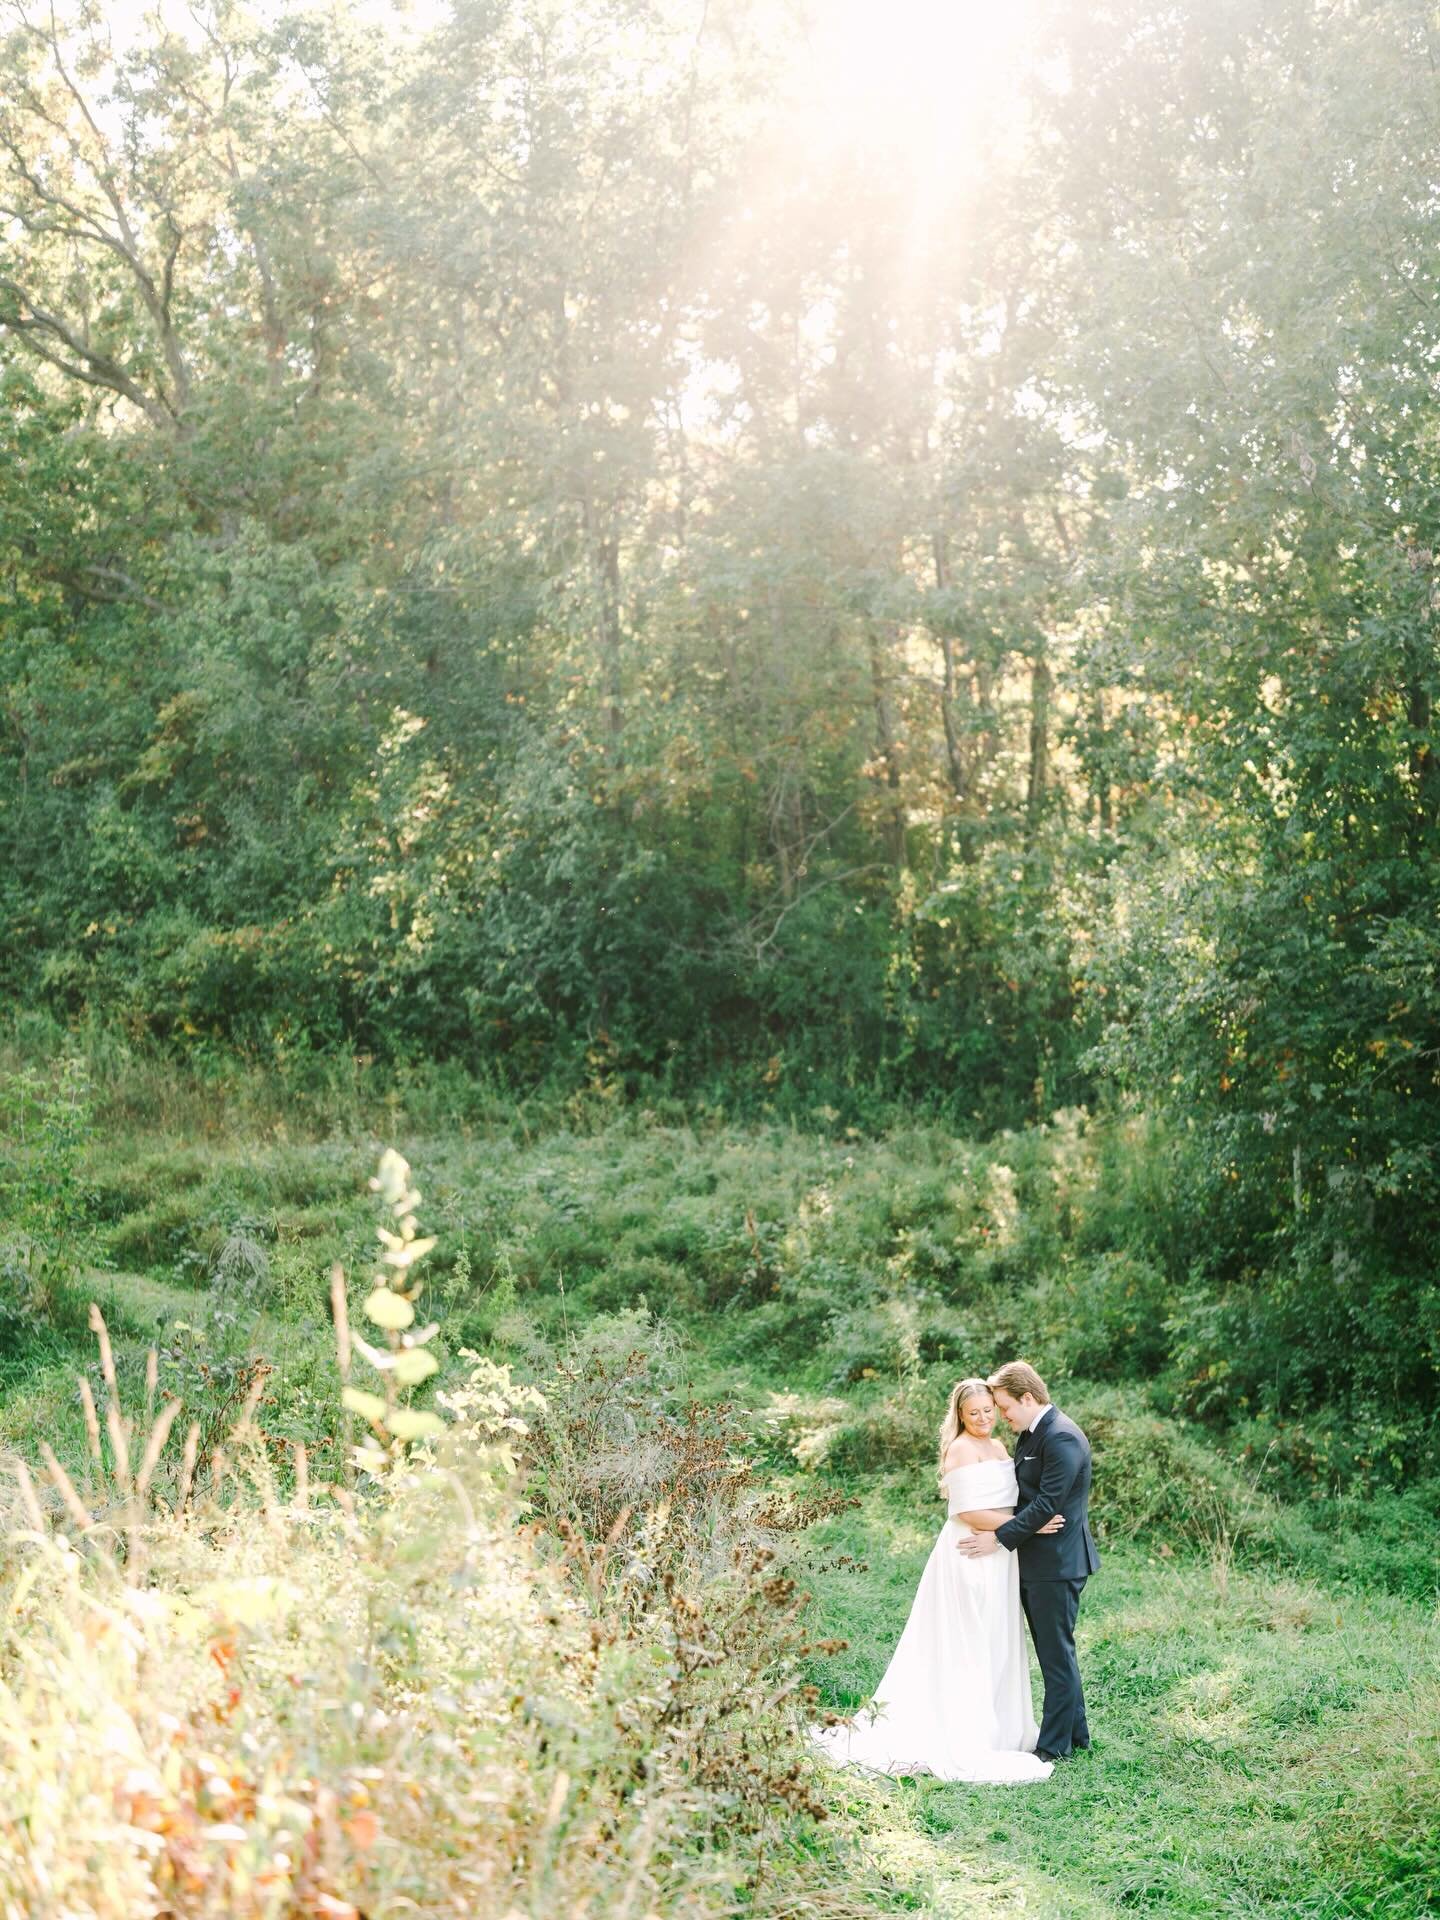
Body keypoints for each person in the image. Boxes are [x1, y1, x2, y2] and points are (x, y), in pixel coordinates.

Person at [812, 1378, 1061, 1784]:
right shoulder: (960, 1449)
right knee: (968, 1639)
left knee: (997, 1636)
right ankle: (964, 1730)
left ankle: (1000, 1728)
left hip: (1000, 1556)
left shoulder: (999, 1447)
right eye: (973, 1413)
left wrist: (1016, 1529)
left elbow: (1007, 1501)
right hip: (970, 1553)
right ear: (960, 1415)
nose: (982, 1419)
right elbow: (969, 1513)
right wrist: (1031, 1525)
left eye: (988, 1411)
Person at [956, 1361, 1099, 1762]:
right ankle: (1078, 1736)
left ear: (1028, 1398)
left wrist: (997, 1538)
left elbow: (1047, 1504)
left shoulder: (1061, 1437)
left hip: (1057, 1564)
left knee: (1056, 1657)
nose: (1002, 1416)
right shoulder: (1033, 1434)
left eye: (1004, 1407)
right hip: (1038, 1562)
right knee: (1057, 1653)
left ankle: (1053, 1747)